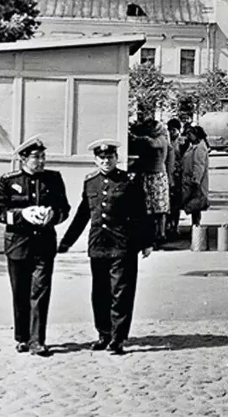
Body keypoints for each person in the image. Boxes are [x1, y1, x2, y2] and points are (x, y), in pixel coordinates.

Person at [58, 139, 153, 355]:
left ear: (116, 158)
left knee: (121, 291)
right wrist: (66, 242)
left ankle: (118, 338)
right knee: (100, 292)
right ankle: (104, 333)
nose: (106, 161)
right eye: (101, 158)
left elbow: (142, 213)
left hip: (123, 243)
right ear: (95, 161)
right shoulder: (90, 182)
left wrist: (147, 241)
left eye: (110, 157)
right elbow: (83, 214)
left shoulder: (129, 180)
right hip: (98, 243)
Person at [0, 136, 71, 356]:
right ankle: (22, 337)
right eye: (36, 157)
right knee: (20, 292)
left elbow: (64, 208)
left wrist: (53, 215)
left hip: (44, 244)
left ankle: (37, 340)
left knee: (41, 292)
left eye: (43, 156)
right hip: (18, 245)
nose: (42, 161)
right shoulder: (8, 180)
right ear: (23, 159)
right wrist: (22, 214)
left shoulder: (54, 179)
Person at [129, 110, 170, 247]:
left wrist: (136, 137)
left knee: (159, 208)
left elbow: (152, 143)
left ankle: (161, 233)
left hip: (157, 175)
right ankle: (156, 233)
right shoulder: (160, 138)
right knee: (153, 207)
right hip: (152, 174)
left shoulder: (161, 139)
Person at [180, 125, 211, 248]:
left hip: (194, 181)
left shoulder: (200, 148)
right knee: (193, 205)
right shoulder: (193, 146)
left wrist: (196, 181)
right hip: (188, 180)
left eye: (190, 134)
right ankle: (194, 227)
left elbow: (199, 165)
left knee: (196, 204)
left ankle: (196, 227)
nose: (188, 136)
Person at [165, 118, 184, 239]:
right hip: (168, 174)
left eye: (174, 130)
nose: (172, 133)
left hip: (178, 175)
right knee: (168, 203)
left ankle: (175, 226)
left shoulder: (182, 142)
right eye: (170, 130)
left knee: (176, 203)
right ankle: (168, 225)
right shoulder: (166, 141)